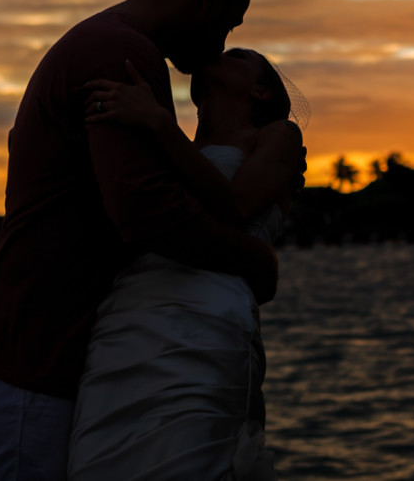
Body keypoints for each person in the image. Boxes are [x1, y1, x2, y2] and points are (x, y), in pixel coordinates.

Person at [0, 0, 296, 480]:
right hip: (33, 355)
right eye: (229, 23)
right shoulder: (121, 52)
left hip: (55, 347)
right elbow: (145, 211)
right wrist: (256, 262)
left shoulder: (114, 48)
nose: (222, 42)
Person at [66, 47, 304, 480]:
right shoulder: (165, 146)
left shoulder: (276, 136)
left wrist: (157, 122)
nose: (223, 52)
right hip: (127, 317)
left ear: (260, 89)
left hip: (208, 319)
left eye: (239, 56)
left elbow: (238, 203)